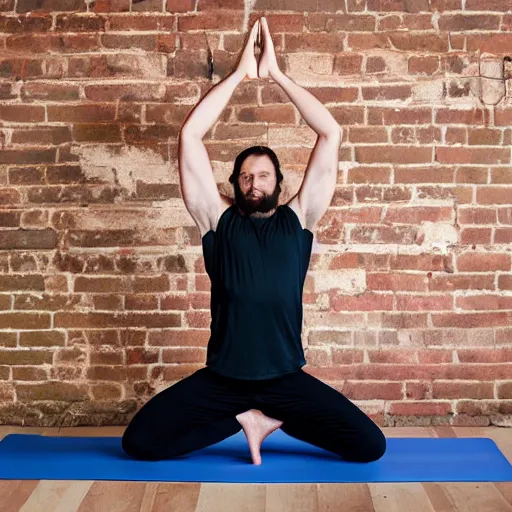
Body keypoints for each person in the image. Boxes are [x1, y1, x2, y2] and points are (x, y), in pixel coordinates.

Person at [122, 17, 386, 466]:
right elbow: (190, 136)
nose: (254, 182)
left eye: (263, 175)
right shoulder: (216, 219)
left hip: (284, 376)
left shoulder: (300, 218)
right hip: (224, 379)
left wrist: (278, 76)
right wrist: (241, 74)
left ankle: (267, 414)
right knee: (139, 443)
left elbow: (331, 133)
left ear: (279, 181)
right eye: (245, 176)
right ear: (235, 183)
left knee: (369, 447)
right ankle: (246, 415)